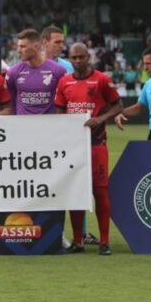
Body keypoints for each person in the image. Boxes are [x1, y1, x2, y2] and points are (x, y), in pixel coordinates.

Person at [54, 43, 123, 256]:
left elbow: (118, 105)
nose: (77, 61)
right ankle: (78, 242)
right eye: (73, 57)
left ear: (88, 57)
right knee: (75, 193)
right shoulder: (64, 81)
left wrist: (100, 118)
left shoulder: (101, 79)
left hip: (96, 144)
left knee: (100, 192)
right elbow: (59, 110)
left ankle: (104, 241)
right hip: (74, 147)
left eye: (81, 57)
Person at [5, 29, 69, 115]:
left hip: (49, 126)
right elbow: (9, 104)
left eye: (23, 46)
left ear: (36, 47)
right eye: (18, 46)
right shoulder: (13, 72)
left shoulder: (58, 71)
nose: (18, 50)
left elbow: (66, 104)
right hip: (22, 127)